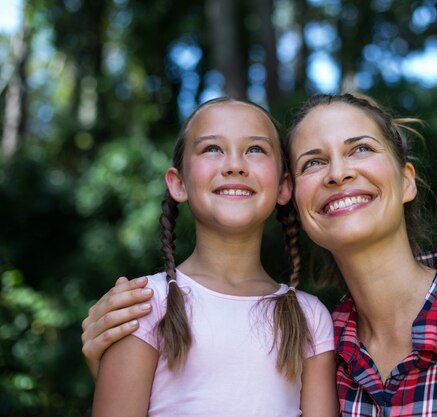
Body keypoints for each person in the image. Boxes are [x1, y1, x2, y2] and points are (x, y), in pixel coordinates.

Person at [83, 93, 437, 417]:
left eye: (360, 149)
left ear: (407, 180)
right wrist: (115, 365)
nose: (339, 172)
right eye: (315, 161)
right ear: (296, 190)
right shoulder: (331, 346)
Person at [89, 97, 338, 417]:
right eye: (212, 149)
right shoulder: (144, 303)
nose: (234, 164)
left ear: (283, 186)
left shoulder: (310, 317)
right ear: (179, 183)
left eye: (255, 150)